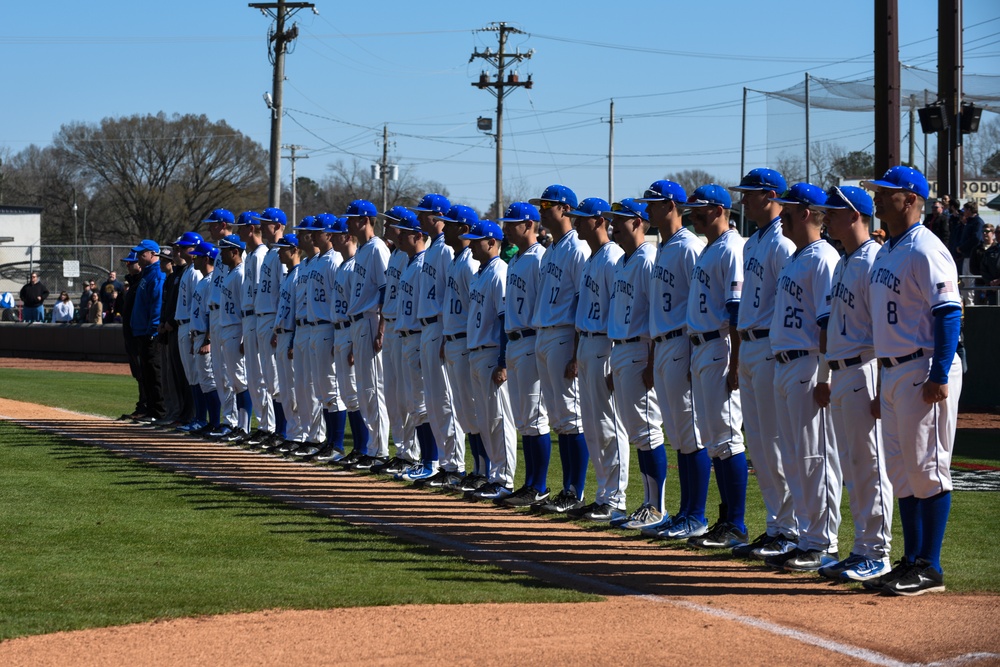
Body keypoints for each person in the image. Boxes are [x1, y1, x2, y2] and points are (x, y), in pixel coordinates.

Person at [861, 166, 962, 596]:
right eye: (877, 193)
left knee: (928, 470)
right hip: (893, 369)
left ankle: (930, 566)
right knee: (902, 474)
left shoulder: (926, 248)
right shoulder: (888, 250)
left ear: (910, 198)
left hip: (923, 368)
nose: (878, 199)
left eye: (886, 193)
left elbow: (949, 312)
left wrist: (939, 374)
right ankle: (911, 560)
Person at [814, 185, 894, 582]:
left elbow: (882, 328)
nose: (826, 216)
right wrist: (826, 374)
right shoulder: (846, 261)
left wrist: (882, 386)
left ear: (855, 215)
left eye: (833, 211)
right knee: (852, 465)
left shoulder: (873, 260)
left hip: (866, 367)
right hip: (843, 370)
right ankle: (861, 547)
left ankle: (878, 553)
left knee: (871, 464)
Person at [762, 182, 842, 573]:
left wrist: (826, 374)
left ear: (807, 213)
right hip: (785, 364)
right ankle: (805, 536)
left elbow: (829, 323)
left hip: (810, 364)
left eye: (788, 210)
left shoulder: (824, 257)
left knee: (815, 458)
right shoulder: (797, 257)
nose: (782, 215)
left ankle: (823, 542)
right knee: (794, 458)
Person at [727, 168, 798, 560]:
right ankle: (775, 526)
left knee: (775, 444)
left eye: (750, 194)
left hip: (772, 347)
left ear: (771, 195)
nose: (744, 200)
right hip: (750, 347)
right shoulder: (754, 241)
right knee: (759, 445)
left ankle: (790, 529)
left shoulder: (782, 243)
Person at [639, 179, 711, 540]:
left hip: (683, 343)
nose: (647, 209)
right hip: (663, 345)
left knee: (690, 432)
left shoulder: (688, 247)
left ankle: (696, 514)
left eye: (652, 204)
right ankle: (683, 511)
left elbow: (698, 305)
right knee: (679, 435)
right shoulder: (664, 246)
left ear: (670, 205)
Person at [681, 185, 749, 551]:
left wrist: (736, 362)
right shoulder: (710, 248)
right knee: (713, 440)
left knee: (726, 437)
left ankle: (736, 523)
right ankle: (726, 519)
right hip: (702, 347)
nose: (695, 213)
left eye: (702, 208)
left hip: (720, 345)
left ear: (721, 209)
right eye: (692, 208)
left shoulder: (733, 247)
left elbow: (736, 312)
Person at [528, 184, 591, 515]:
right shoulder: (551, 248)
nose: (541, 211)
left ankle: (574, 490)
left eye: (546, 206)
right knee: (558, 418)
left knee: (570, 416)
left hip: (565, 335)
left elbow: (582, 300)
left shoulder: (577, 249)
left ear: (565, 209)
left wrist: (576, 352)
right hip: (546, 333)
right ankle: (567, 488)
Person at [564, 197, 628, 523]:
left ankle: (616, 497)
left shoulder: (613, 256)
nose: (575, 222)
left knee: (608, 425)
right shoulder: (591, 259)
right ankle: (603, 493)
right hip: (587, 344)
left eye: (582, 218)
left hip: (605, 344)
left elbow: (617, 309)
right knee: (591, 426)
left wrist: (616, 355)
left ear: (599, 221)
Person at [605, 198, 667, 531]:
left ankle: (656, 506)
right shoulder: (623, 261)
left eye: (620, 220)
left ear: (638, 222)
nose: (614, 225)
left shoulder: (648, 259)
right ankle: (646, 503)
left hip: (642, 349)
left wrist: (652, 362)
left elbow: (655, 315)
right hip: (622, 349)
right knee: (637, 433)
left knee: (647, 430)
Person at [495, 202, 549, 506]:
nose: (505, 228)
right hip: (515, 341)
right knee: (523, 420)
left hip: (531, 339)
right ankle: (530, 483)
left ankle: (538, 486)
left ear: (528, 224)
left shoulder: (539, 257)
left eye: (511, 223)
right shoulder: (515, 260)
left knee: (535, 417)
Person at [407, 193, 463, 483]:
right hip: (426, 328)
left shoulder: (445, 250)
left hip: (440, 327)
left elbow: (448, 296)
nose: (418, 218)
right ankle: (443, 463)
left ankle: (454, 465)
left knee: (444, 401)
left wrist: (444, 332)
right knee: (431, 401)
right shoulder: (432, 248)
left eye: (423, 213)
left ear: (438, 216)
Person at [464, 218, 518, 499]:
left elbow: (503, 319)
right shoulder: (480, 272)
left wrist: (503, 361)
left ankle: (504, 479)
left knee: (499, 418)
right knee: (485, 419)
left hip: (491, 352)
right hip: (476, 352)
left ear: (492, 242)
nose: (471, 243)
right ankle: (493, 474)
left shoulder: (499, 272)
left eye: (476, 240)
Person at [437, 205, 484, 488]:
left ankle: (483, 469)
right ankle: (478, 470)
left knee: (476, 412)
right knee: (466, 413)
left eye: (450, 225)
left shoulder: (469, 262)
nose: (445, 228)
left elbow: (475, 310)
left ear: (464, 229)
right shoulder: (456, 260)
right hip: (454, 341)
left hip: (469, 344)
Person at [344, 199, 392, 468]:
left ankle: (381, 450)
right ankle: (373, 447)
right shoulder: (363, 250)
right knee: (364, 391)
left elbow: (385, 289)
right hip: (359, 322)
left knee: (375, 389)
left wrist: (382, 329)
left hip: (372, 320)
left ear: (364, 220)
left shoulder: (377, 249)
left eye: (351, 219)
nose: (348, 223)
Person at [253, 207, 289, 448]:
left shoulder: (282, 253)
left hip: (274, 320)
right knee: (268, 378)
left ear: (277, 226)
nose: (261, 226)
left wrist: (279, 326)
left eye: (266, 223)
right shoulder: (268, 253)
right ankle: (274, 429)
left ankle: (282, 431)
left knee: (277, 381)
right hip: (262, 317)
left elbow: (284, 292)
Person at [130, 239, 166, 423]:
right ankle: (151, 410)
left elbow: (157, 305)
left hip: (150, 332)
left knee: (154, 374)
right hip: (141, 331)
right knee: (147, 374)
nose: (138, 256)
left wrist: (152, 330)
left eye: (141, 253)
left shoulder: (157, 274)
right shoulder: (147, 274)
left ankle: (158, 412)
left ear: (152, 253)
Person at [957, 201, 985, 279]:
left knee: (971, 281)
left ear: (969, 210)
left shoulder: (978, 222)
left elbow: (976, 239)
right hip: (966, 256)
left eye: (965, 210)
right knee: (965, 281)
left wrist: (962, 248)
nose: (964, 212)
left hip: (972, 256)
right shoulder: (969, 222)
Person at [970, 223, 995, 305]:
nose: (984, 234)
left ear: (992, 233)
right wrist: (984, 278)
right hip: (979, 283)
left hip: (994, 285)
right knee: (979, 307)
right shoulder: (976, 249)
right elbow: (972, 268)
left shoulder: (997, 248)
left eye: (987, 231)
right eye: (983, 231)